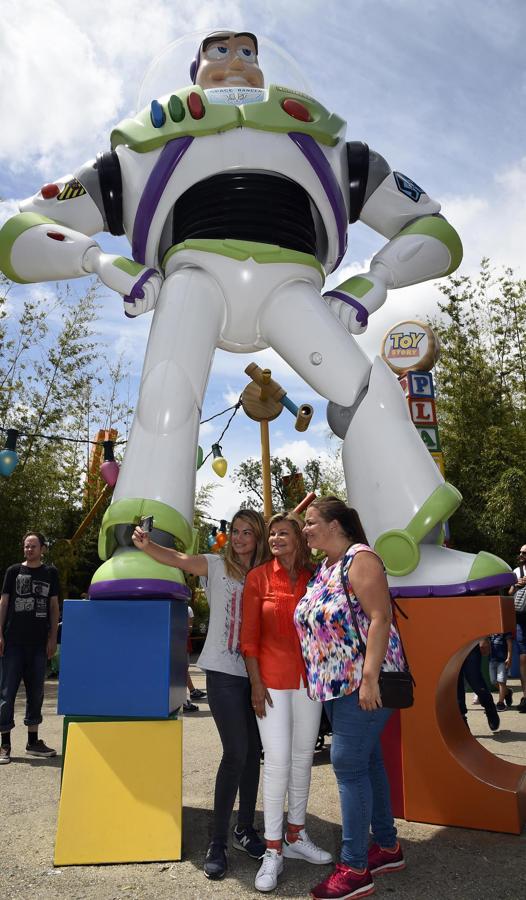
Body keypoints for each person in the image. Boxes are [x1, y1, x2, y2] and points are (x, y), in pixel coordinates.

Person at [132, 509, 269, 880]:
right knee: (236, 752)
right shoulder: (215, 565)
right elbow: (177, 558)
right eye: (235, 531)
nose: (239, 538)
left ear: (258, 538)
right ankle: (218, 841)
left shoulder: (265, 575)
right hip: (223, 670)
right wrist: (147, 547)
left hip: (259, 674)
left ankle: (245, 829)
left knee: (253, 752)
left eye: (246, 532)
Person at [294, 497, 406, 900]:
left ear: (336, 525)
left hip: (364, 684)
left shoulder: (361, 559)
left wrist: (370, 678)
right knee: (367, 760)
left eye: (310, 522)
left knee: (348, 764)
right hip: (335, 686)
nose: (304, 528)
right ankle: (388, 847)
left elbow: (380, 617)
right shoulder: (325, 567)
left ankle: (356, 868)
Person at [241, 512, 332, 894]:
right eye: (272, 533)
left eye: (284, 532)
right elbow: (248, 639)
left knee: (301, 759)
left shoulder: (316, 576)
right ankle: (273, 849)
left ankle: (296, 835)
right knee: (277, 761)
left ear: (299, 538)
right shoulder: (258, 577)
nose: (276, 538)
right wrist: (256, 685)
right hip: (273, 683)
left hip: (309, 683)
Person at [0, 532, 60, 764]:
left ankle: (33, 741)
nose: (29, 549)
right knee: (6, 693)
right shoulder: (13, 571)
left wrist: (53, 637)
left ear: (43, 548)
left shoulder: (50, 573)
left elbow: (54, 607)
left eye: (33, 546)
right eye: (26, 546)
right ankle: (5, 744)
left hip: (38, 644)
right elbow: (4, 602)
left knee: (36, 693)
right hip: (12, 642)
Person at [457, 643, 500, 732]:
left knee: (475, 679)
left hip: (470, 640)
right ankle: (461, 719)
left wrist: (483, 638)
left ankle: (489, 707)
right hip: (447, 640)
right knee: (455, 682)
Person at [509, 545, 526, 712]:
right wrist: (517, 585)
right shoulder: (516, 571)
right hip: (521, 618)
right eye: (520, 552)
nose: (520, 555)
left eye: (524, 553)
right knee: (523, 659)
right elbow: (509, 592)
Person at [487, 632, 513, 711]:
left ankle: (500, 703)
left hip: (502, 660)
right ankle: (507, 692)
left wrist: (509, 657)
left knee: (501, 681)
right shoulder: (490, 633)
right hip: (492, 660)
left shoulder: (505, 632)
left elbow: (509, 644)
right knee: (493, 681)